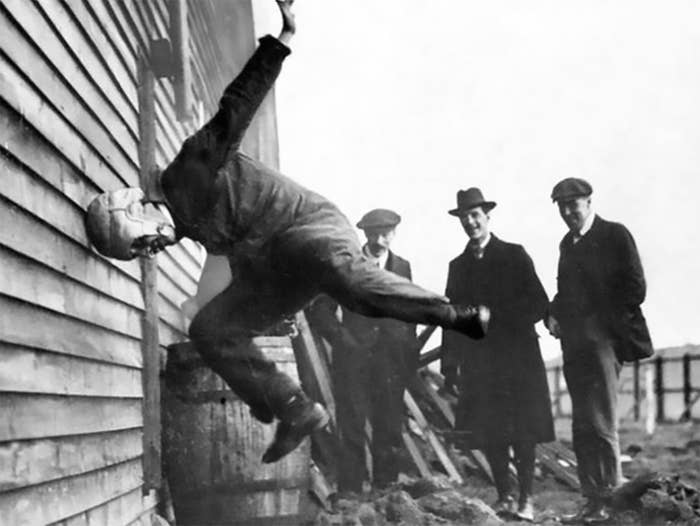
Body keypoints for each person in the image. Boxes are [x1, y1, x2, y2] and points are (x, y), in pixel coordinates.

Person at [84, 0, 489, 465]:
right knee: (209, 328)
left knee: (346, 284)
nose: (149, 249)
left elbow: (236, 106)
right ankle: (295, 409)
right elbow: (236, 242)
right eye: (140, 253)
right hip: (275, 262)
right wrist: (260, 366)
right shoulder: (183, 220)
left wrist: (283, 39)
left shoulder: (189, 168)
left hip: (308, 226)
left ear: (138, 208)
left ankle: (454, 314)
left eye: (140, 240)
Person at [441, 188, 554, 522]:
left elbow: (538, 304)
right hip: (479, 361)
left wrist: (495, 315)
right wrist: (450, 367)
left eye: (475, 216)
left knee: (522, 431)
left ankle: (526, 500)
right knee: (490, 430)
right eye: (464, 218)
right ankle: (504, 495)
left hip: (517, 357)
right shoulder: (457, 266)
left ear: (488, 217)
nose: (470, 223)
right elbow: (452, 319)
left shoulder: (514, 255)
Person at [546, 178, 652, 524]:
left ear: (589, 202)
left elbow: (635, 287)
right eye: (561, 206)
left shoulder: (614, 235)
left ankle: (611, 497)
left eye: (573, 204)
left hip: (604, 342)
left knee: (601, 421)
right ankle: (591, 499)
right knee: (581, 424)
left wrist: (598, 325)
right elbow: (565, 292)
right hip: (574, 345)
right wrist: (553, 313)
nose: (567, 212)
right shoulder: (567, 243)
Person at [308, 209, 419, 493]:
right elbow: (321, 310)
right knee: (353, 426)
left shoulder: (402, 267)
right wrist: (343, 341)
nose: (380, 240)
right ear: (365, 235)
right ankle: (351, 497)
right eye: (374, 234)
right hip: (353, 360)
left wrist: (407, 352)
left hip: (391, 362)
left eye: (386, 234)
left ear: (395, 233)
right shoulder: (346, 266)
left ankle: (387, 495)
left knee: (389, 426)